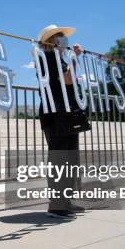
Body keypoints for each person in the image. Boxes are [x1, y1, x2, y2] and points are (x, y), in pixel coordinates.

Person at [36, 25, 85, 219]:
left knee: (70, 158)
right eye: (60, 37)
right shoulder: (46, 58)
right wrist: (74, 60)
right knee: (60, 158)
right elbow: (66, 80)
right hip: (55, 113)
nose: (64, 40)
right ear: (52, 41)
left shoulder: (60, 59)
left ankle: (65, 201)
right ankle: (57, 204)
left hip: (65, 112)